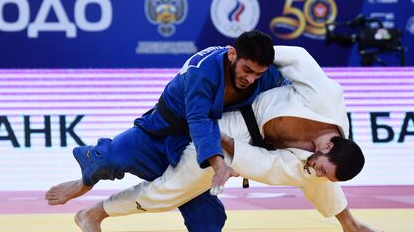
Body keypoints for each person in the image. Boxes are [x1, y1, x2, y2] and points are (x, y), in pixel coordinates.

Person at [48, 46, 386, 232]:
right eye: (322, 168)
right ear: (328, 147)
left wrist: (347, 222)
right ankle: (99, 186)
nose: (316, 173)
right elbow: (297, 56)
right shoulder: (325, 98)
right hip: (225, 114)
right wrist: (246, 55)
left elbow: (295, 175)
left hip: (232, 140)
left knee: (188, 209)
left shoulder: (312, 167)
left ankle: (94, 211)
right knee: (158, 149)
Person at [46, 30, 286, 212]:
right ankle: (86, 178)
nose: (251, 79)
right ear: (232, 53)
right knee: (111, 157)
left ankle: (174, 186)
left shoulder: (266, 77)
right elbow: (200, 118)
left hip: (191, 148)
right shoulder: (203, 69)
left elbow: (289, 93)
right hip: (160, 131)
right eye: (247, 69)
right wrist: (218, 163)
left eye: (258, 74)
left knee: (208, 231)